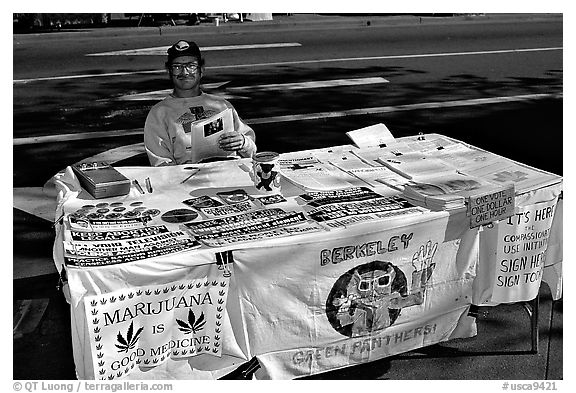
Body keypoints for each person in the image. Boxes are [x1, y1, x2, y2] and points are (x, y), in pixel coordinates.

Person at [144, 39, 257, 166]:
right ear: (169, 71)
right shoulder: (159, 113)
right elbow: (162, 164)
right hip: (188, 179)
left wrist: (242, 143)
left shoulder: (222, 105)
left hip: (229, 171)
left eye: (191, 66)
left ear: (201, 70)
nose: (185, 72)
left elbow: (252, 151)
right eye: (177, 67)